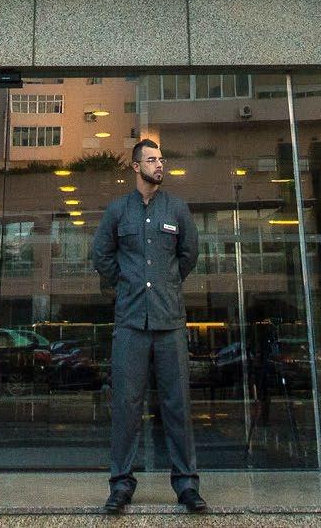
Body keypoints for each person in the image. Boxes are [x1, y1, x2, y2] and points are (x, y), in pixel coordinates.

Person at [91, 138, 206, 515]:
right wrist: (126, 283)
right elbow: (101, 255)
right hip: (130, 322)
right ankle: (121, 484)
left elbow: (189, 254)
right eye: (152, 160)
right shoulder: (117, 210)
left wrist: (168, 285)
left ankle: (186, 485)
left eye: (161, 159)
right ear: (136, 166)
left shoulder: (177, 208)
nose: (160, 165)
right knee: (126, 405)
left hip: (169, 321)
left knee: (177, 404)